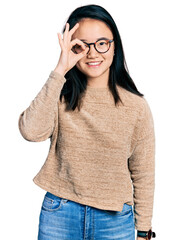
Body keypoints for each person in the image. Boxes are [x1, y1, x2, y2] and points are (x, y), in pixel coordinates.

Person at [18, 4, 156, 240]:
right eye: (81, 46)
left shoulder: (136, 106)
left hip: (115, 219)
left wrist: (144, 229)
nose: (92, 53)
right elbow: (31, 131)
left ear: (115, 47)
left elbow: (143, 172)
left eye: (102, 43)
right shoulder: (59, 96)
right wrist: (61, 68)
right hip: (60, 214)